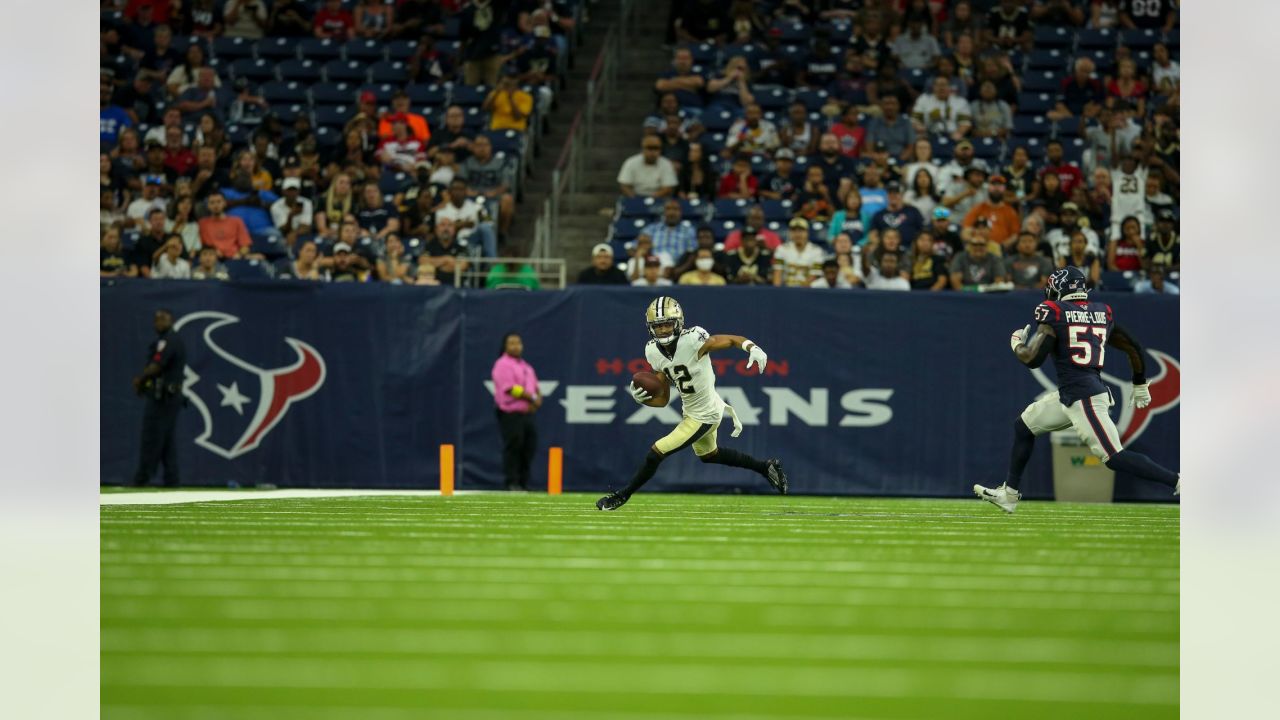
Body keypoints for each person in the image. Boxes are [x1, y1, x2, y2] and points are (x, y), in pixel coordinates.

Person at [975, 267, 1181, 512]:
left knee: (1114, 456)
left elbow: (1032, 358)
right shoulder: (1102, 313)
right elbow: (1132, 347)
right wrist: (1139, 382)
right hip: (1072, 395)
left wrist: (1017, 344)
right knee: (1024, 426)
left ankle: (1178, 481)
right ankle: (1009, 494)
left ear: (1060, 289)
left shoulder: (1055, 312)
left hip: (1084, 398)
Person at [597, 297, 787, 511]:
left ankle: (622, 495)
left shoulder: (693, 340)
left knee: (656, 453)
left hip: (705, 414)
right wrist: (642, 399)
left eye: (667, 324)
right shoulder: (652, 351)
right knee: (710, 456)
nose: (663, 330)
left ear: (678, 323)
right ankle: (765, 467)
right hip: (692, 412)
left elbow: (731, 340)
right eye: (657, 326)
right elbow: (663, 400)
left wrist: (751, 347)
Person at [131, 308, 187, 487]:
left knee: (152, 438)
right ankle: (172, 480)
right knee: (166, 441)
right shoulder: (168, 340)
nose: (159, 323)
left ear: (171, 321)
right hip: (169, 397)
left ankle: (142, 479)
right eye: (156, 320)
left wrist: (141, 380)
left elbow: (156, 366)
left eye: (163, 319)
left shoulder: (168, 341)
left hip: (163, 398)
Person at [491, 333, 542, 491]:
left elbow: (536, 387)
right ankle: (511, 482)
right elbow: (511, 388)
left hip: (527, 413)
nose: (515, 346)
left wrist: (537, 400)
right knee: (514, 446)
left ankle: (523, 482)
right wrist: (532, 397)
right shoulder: (502, 364)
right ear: (505, 346)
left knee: (529, 447)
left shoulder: (526, 366)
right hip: (510, 413)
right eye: (511, 343)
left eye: (518, 342)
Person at [773, 218, 827, 287]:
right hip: (785, 290)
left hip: (808, 291)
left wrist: (799, 293)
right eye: (794, 231)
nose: (797, 234)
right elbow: (777, 273)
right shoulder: (782, 249)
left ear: (807, 232)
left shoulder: (816, 251)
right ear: (790, 233)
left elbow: (814, 276)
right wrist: (777, 293)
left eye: (801, 231)